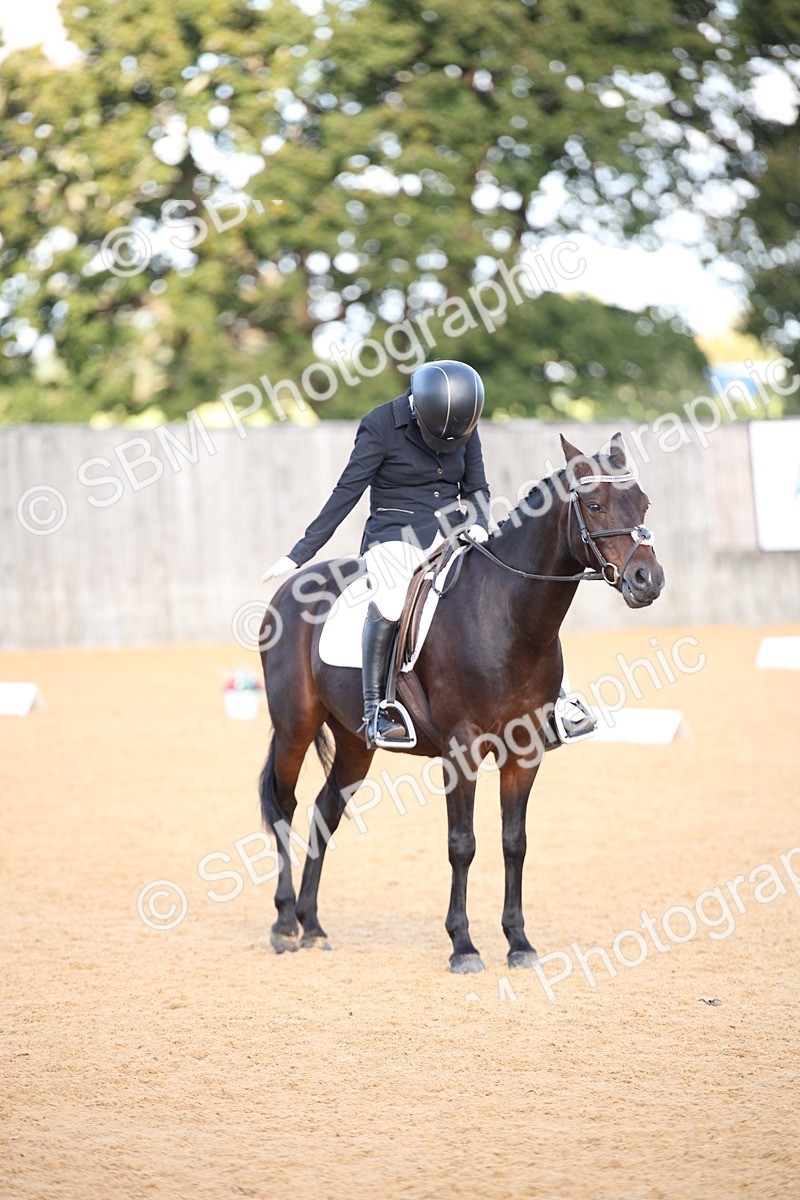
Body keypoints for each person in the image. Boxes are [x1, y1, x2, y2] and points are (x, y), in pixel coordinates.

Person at [262, 359, 596, 749]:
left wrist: (478, 520)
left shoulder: (463, 422)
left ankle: (560, 702)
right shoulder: (380, 425)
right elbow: (346, 494)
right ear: (418, 407)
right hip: (394, 536)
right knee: (389, 601)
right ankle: (378, 708)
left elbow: (477, 487)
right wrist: (299, 553)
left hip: (453, 532)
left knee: (516, 592)